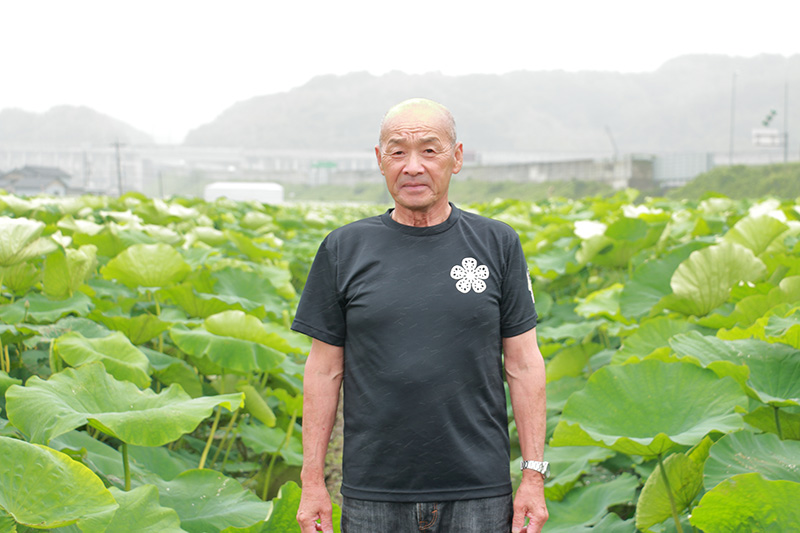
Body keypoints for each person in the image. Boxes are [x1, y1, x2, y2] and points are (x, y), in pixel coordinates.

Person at [292, 98, 548, 533]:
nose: (412, 166)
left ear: (457, 157)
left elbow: (524, 365)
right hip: (374, 492)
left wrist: (533, 476)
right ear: (379, 160)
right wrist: (312, 481)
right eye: (397, 151)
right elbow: (323, 370)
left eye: (429, 150)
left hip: (479, 492)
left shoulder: (497, 244)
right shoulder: (344, 249)